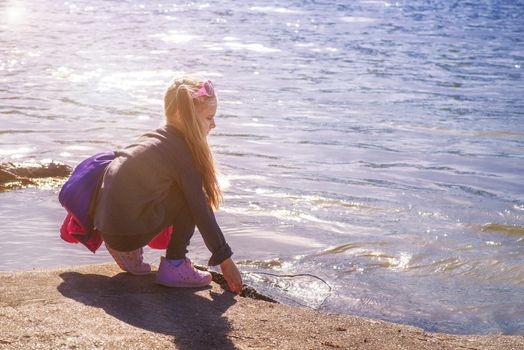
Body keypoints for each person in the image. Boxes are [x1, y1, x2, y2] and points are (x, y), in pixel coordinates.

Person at [91, 77, 243, 294]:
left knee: (173, 190)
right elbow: (201, 210)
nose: (214, 124)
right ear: (183, 115)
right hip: (124, 232)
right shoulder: (182, 153)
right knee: (191, 197)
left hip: (107, 227)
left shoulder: (152, 139)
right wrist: (225, 261)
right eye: (209, 117)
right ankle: (175, 264)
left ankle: (129, 250)